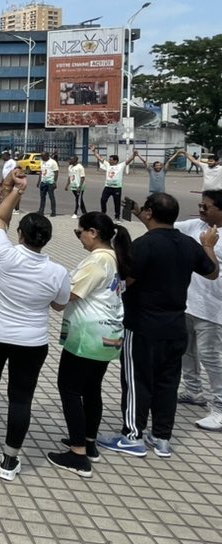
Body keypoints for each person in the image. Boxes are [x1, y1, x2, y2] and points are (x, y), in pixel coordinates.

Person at [98, 193, 219, 459]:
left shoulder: (143, 245)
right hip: (175, 325)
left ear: (150, 213)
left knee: (137, 380)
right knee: (167, 382)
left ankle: (132, 435)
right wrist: (208, 245)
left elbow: (126, 282)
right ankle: (162, 437)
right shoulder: (188, 243)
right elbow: (212, 272)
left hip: (142, 325)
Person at [0, 170, 70, 482]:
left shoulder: (4, 253)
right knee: (20, 398)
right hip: (32, 342)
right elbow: (59, 305)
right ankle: (10, 460)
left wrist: (17, 190)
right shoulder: (57, 272)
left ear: (21, 235)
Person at [47, 212, 131, 477]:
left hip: (88, 336)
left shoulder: (97, 261)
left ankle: (78, 453)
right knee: (92, 388)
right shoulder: (115, 256)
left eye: (79, 232)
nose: (79, 237)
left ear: (93, 232)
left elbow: (67, 295)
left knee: (69, 388)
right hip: (108, 335)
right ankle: (89, 441)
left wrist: (50, 297)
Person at [176, 190, 222, 431]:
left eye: (206, 207)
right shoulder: (196, 225)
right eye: (200, 205)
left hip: (214, 310)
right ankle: (193, 391)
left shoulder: (216, 237)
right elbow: (166, 225)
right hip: (190, 303)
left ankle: (220, 409)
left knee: (211, 358)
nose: (201, 210)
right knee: (187, 351)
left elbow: (212, 269)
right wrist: (142, 213)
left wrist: (208, 246)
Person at [91, 148, 134, 221]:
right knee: (103, 200)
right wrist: (94, 151)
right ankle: (103, 214)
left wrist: (134, 155)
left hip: (117, 188)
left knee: (116, 203)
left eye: (111, 159)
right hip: (107, 187)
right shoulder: (108, 165)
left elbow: (128, 161)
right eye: (109, 159)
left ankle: (117, 217)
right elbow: (100, 158)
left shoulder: (120, 166)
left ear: (115, 161)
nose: (109, 160)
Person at [35, 151, 59, 217]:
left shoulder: (53, 162)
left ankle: (53, 212)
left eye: (43, 156)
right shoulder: (42, 162)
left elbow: (56, 172)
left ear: (47, 156)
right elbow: (41, 172)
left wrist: (54, 182)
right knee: (42, 197)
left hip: (50, 183)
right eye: (41, 156)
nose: (42, 158)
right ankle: (41, 211)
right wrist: (38, 181)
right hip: (43, 182)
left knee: (51, 197)